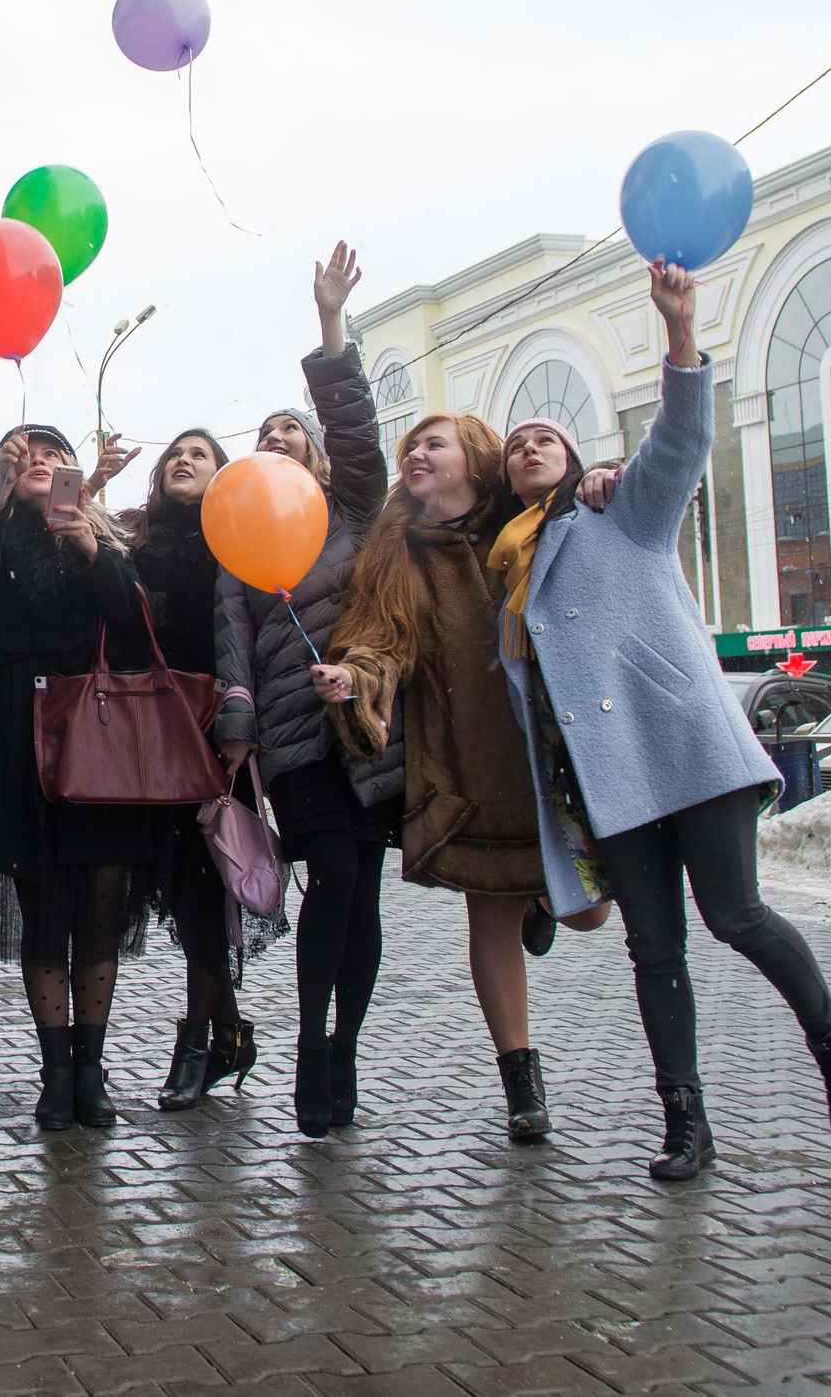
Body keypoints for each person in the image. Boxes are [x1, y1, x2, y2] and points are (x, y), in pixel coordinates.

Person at [494, 263, 831, 1179]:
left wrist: (680, 332)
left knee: (735, 914)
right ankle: (686, 1125)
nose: (529, 446)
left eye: (545, 436)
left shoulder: (625, 509)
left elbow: (684, 435)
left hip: (690, 750)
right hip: (610, 778)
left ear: (577, 459)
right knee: (654, 949)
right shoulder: (510, 568)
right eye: (515, 445)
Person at [318, 410, 606, 1144]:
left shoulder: (526, 518)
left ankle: (543, 896)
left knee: (590, 913)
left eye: (433, 443)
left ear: (475, 459)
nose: (415, 453)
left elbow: (594, 498)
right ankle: (522, 1081)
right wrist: (355, 680)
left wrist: (605, 475)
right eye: (410, 446)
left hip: (552, 754)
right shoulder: (400, 551)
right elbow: (378, 639)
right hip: (471, 765)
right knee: (489, 921)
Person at [212, 243, 402, 1136]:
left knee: (362, 892)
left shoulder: (352, 511)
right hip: (294, 741)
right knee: (332, 874)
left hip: (367, 726)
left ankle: (346, 1046)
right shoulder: (237, 537)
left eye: (290, 429)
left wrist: (331, 324)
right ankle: (310, 1044)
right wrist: (239, 722)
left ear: (316, 454)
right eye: (263, 433)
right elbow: (232, 641)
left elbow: (358, 431)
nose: (275, 439)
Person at [0, 424, 161, 1131]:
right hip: (18, 727)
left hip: (97, 732)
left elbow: (136, 627)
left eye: (52, 454)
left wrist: (91, 548)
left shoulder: (105, 539)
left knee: (99, 905)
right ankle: (55, 1073)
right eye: (22, 454)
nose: (37, 460)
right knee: (41, 903)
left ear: (75, 473)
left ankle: (91, 1069)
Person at [118, 424, 278, 1113]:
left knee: (204, 885)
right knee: (182, 890)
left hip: (216, 729)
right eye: (174, 454)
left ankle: (196, 1044)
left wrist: (243, 721)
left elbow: (250, 636)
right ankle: (230, 1034)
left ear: (222, 473)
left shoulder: (235, 539)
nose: (183, 460)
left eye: (199, 454)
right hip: (151, 732)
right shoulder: (135, 539)